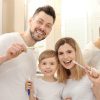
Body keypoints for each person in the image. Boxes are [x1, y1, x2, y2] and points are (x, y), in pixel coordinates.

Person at [0, 5, 56, 100]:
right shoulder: (6, 40)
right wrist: (6, 58)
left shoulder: (33, 56)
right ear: (30, 21)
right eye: (40, 22)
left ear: (50, 30)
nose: (42, 28)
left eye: (48, 26)